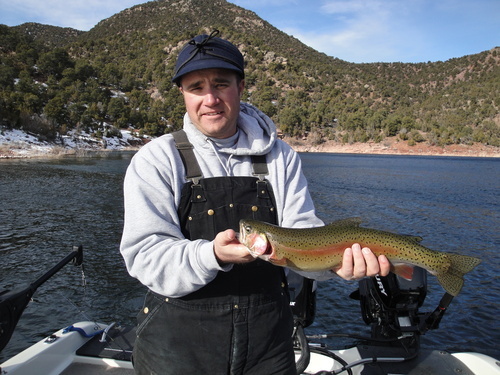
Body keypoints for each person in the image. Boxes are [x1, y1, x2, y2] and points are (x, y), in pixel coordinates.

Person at [120, 30, 390, 375]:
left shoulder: (281, 157)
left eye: (220, 84)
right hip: (176, 347)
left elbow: (304, 235)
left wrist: (337, 266)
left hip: (268, 346)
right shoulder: (156, 159)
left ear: (241, 87)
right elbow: (145, 256)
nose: (210, 99)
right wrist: (212, 254)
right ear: (182, 95)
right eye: (196, 88)